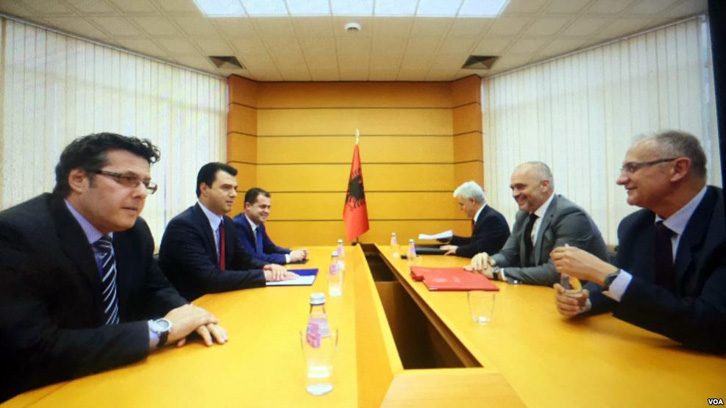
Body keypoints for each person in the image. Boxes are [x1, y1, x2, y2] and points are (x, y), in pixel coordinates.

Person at [0, 133, 227, 402]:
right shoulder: (16, 234)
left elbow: (154, 288)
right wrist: (162, 330)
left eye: (146, 183)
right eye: (127, 179)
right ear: (79, 179)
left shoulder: (134, 230)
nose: (141, 193)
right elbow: (32, 348)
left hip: (117, 375)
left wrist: (188, 315)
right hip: (40, 390)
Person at [551, 131, 726, 353]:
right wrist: (585, 301)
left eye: (632, 168)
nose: (620, 180)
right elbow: (632, 284)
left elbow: (714, 324)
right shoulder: (635, 226)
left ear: (678, 169)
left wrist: (606, 275)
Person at [159, 163, 297, 301]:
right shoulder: (183, 226)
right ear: (204, 189)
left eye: (235, 189)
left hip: (221, 298)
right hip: (193, 303)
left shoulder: (227, 223)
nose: (234, 194)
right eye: (226, 188)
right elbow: (210, 278)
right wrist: (264, 276)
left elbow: (243, 260)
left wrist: (268, 266)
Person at [468, 162, 609, 286]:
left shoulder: (570, 215)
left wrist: (498, 273)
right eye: (512, 188)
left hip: (583, 299)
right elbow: (508, 254)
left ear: (544, 186)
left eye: (520, 187)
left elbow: (555, 271)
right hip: (538, 292)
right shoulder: (523, 215)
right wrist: (489, 261)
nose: (514, 194)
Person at [232, 188, 308, 264]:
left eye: (268, 207)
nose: (267, 211)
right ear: (248, 206)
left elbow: (270, 248)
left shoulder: (259, 224)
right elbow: (253, 258)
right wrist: (289, 258)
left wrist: (292, 253)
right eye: (262, 206)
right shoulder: (238, 225)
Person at [439, 181, 510, 257]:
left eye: (462, 204)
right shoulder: (485, 215)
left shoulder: (492, 219)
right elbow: (475, 242)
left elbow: (480, 248)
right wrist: (451, 239)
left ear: (472, 201)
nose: (461, 209)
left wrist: (457, 250)